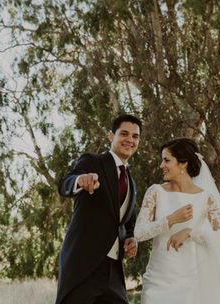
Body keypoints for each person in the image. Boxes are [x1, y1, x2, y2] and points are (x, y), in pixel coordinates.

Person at [134, 137, 220, 304]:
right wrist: (170, 220)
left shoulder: (206, 198)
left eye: (166, 160)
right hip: (158, 280)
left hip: (191, 282)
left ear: (183, 163)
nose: (161, 166)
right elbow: (139, 233)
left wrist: (190, 233)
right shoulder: (156, 192)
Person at [55, 114, 142, 304]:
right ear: (111, 136)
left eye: (135, 136)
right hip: (83, 266)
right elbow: (65, 184)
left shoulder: (131, 182)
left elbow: (128, 222)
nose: (130, 140)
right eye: (124, 134)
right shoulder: (92, 161)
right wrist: (80, 180)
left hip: (113, 272)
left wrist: (130, 238)